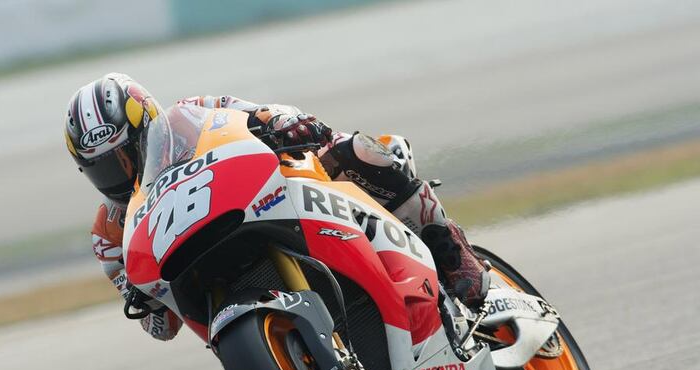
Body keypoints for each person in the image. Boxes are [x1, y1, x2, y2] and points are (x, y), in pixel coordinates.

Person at [64, 73, 489, 341]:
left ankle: (447, 246)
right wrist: (146, 303)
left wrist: (285, 123)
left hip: (264, 194)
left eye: (127, 153)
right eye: (105, 168)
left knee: (355, 150)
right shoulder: (110, 235)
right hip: (210, 271)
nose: (124, 173)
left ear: (148, 124)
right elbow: (162, 329)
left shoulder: (191, 114)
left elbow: (259, 113)